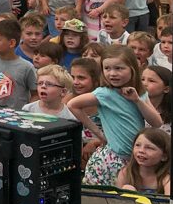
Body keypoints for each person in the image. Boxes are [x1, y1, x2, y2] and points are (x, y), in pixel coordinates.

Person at [69, 45, 164, 185]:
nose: (112, 73)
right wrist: (99, 133)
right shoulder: (105, 93)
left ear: (132, 69)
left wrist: (137, 100)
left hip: (134, 159)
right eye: (107, 68)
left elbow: (157, 122)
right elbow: (72, 105)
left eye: (119, 68)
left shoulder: (139, 92)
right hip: (111, 159)